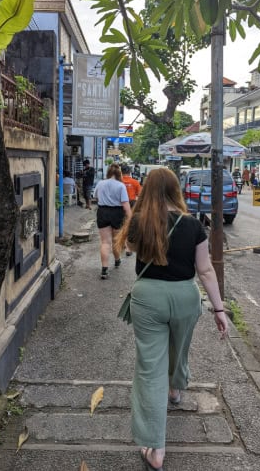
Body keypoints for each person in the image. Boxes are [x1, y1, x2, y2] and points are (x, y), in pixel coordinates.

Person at [113, 168, 229, 471]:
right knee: (180, 347)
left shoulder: (139, 222)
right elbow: (205, 270)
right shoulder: (193, 225)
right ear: (176, 190)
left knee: (150, 369)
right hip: (185, 297)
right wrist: (219, 309)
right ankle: (176, 389)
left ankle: (156, 450)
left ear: (148, 190)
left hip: (147, 297)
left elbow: (130, 249)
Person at [95, 164, 131, 279]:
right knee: (116, 240)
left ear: (108, 173)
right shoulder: (121, 186)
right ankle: (117, 260)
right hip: (117, 213)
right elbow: (125, 204)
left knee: (105, 242)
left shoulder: (100, 183)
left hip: (102, 211)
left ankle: (104, 270)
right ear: (118, 173)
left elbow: (95, 197)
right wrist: (130, 217)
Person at [121, 164, 142, 256]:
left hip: (119, 204)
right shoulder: (135, 182)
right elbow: (140, 195)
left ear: (121, 172)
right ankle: (128, 248)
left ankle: (121, 244)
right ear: (129, 172)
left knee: (121, 225)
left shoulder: (118, 182)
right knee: (130, 225)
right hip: (131, 204)